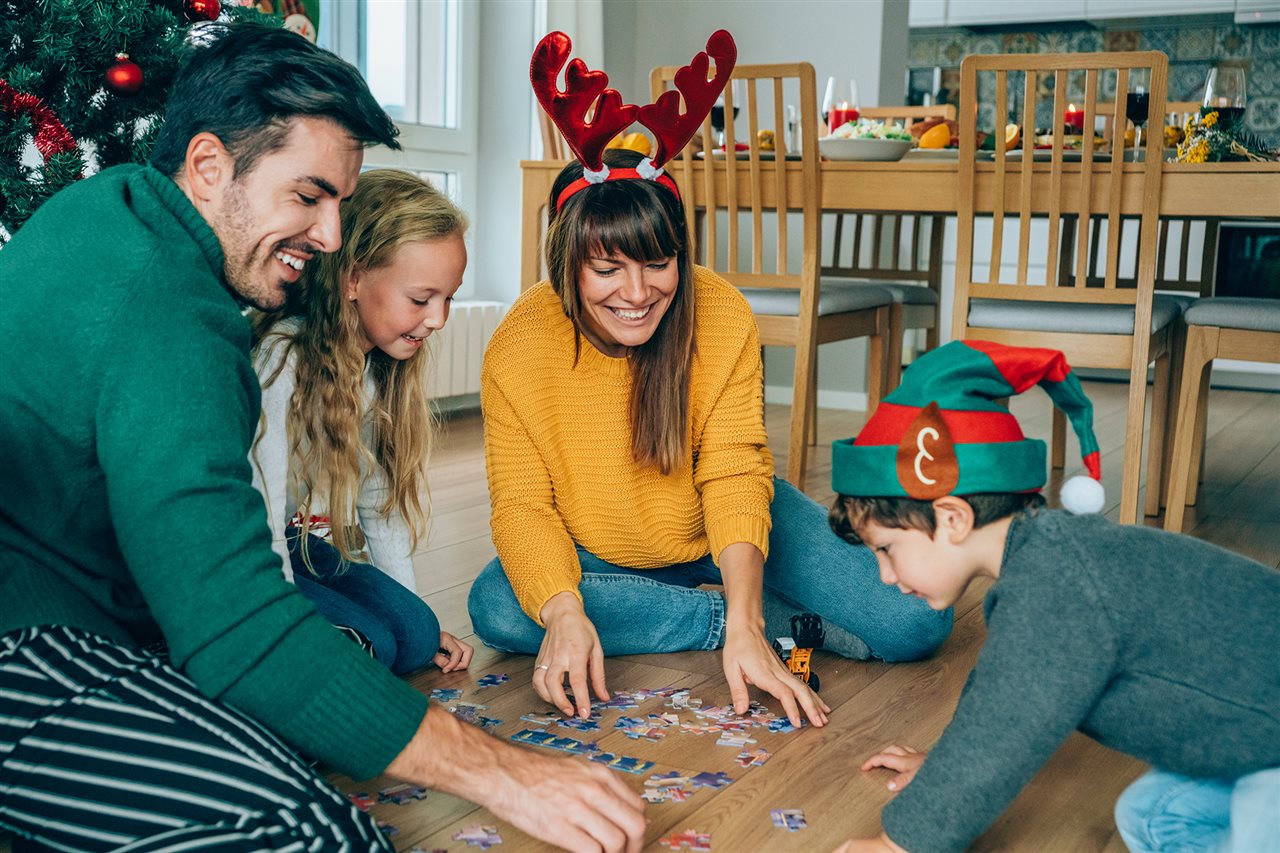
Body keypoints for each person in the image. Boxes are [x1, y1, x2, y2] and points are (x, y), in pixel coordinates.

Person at [0, 23, 643, 852]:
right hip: (29, 635)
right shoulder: (174, 322)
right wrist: (506, 771)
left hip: (84, 605)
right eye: (308, 197)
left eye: (339, 201)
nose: (333, 237)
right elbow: (236, 624)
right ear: (207, 166)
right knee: (317, 830)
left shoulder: (108, 207)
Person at [469, 143, 951, 729]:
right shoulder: (518, 343)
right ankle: (722, 621)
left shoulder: (721, 313)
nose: (637, 292)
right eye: (606, 269)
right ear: (565, 263)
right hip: (596, 543)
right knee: (497, 604)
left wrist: (749, 611)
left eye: (656, 262)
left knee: (918, 619)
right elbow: (522, 506)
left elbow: (734, 474)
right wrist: (568, 608)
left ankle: (741, 615)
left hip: (722, 529)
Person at [823, 339, 1280, 853]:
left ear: (952, 518)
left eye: (886, 549)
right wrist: (949, 764)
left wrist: (897, 845)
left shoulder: (1059, 585)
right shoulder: (1047, 562)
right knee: (1152, 815)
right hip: (1257, 740)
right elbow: (1001, 690)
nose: (885, 575)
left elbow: (1005, 727)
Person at [249, 168, 473, 676]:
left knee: (415, 635)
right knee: (371, 647)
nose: (437, 319)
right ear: (353, 279)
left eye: (449, 298)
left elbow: (379, 500)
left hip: (293, 543)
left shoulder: (373, 373)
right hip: (244, 554)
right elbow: (258, 511)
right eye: (420, 299)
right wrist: (277, 619)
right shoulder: (283, 360)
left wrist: (412, 604)